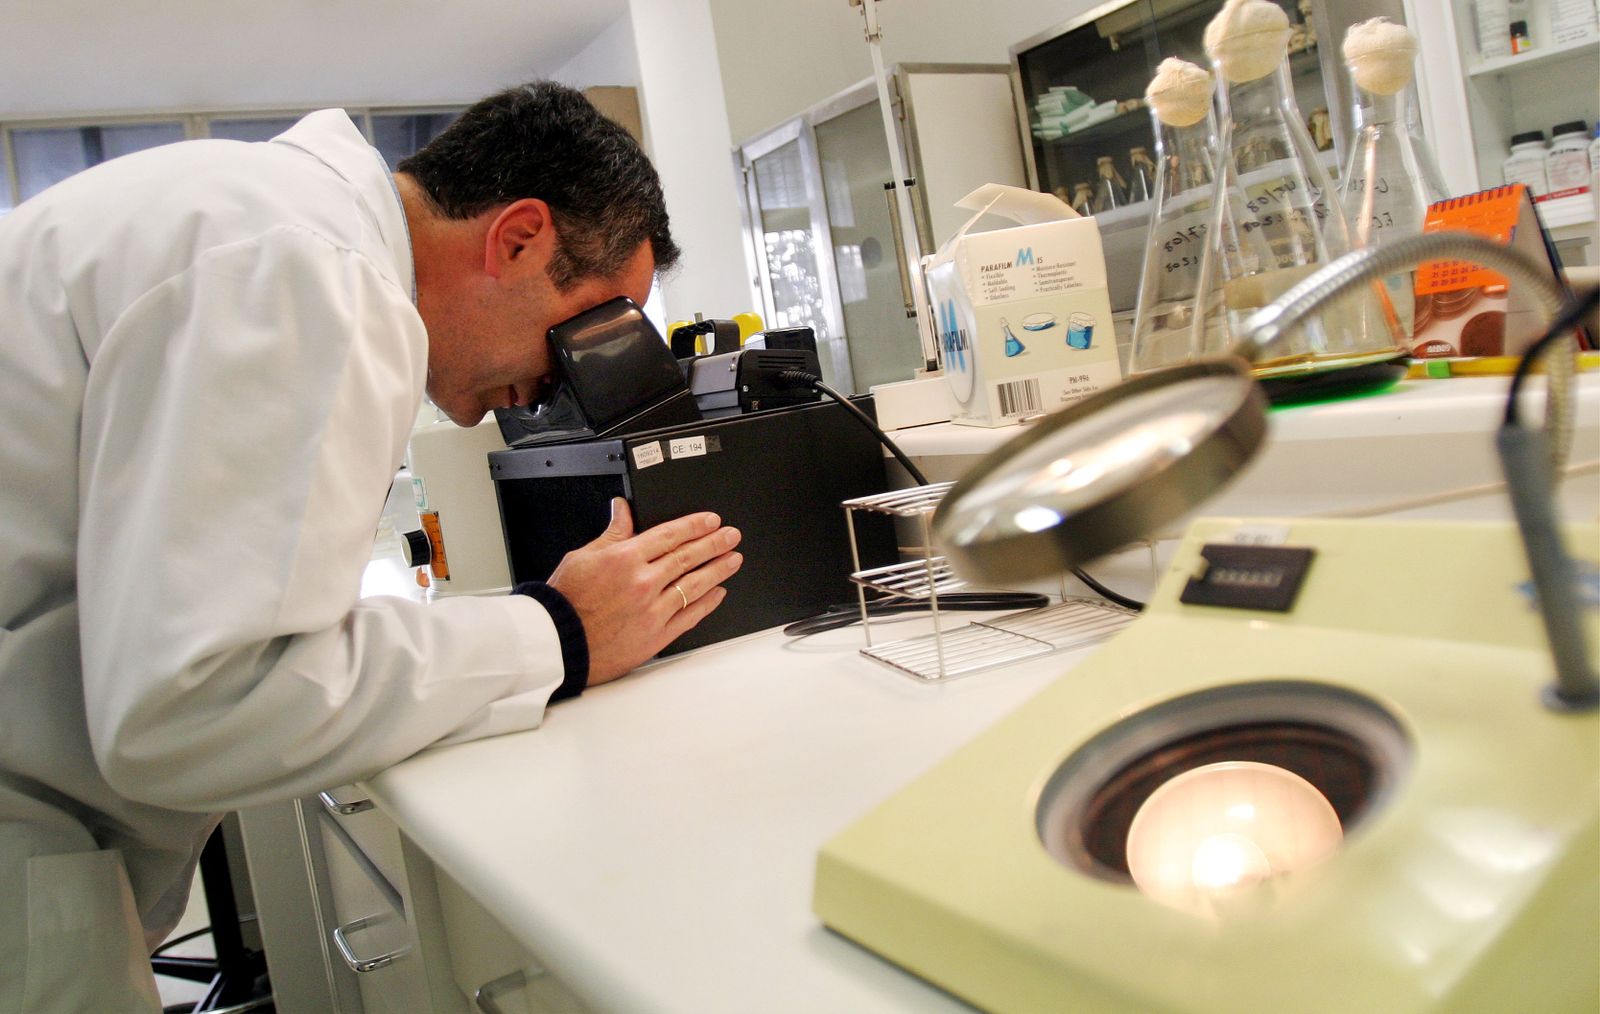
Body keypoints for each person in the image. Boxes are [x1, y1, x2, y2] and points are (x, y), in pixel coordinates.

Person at [0, 81, 743, 1008]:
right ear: (517, 239)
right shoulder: (307, 272)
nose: (565, 383)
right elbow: (198, 703)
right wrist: (561, 630)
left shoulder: (267, 227)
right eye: (588, 326)